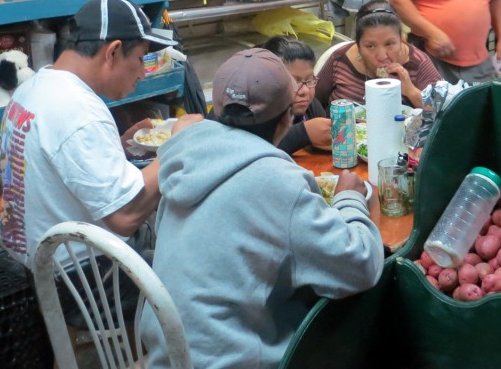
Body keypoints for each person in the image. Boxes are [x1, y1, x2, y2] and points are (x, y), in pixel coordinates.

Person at [141, 48, 383, 368]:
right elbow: (360, 267)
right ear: (287, 117)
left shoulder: (183, 156)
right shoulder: (278, 181)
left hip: (166, 352)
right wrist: (350, 198)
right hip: (231, 359)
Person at [0, 0, 200, 269]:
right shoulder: (78, 110)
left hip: (34, 261)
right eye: (141, 58)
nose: (142, 72)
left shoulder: (33, 89)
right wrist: (177, 144)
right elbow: (125, 217)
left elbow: (59, 166)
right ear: (113, 52)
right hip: (82, 280)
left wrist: (118, 146)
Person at [314, 0, 441, 109]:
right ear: (357, 45)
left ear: (401, 40)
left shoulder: (418, 63)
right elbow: (312, 102)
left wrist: (410, 91)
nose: (382, 56)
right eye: (370, 46)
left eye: (389, 44)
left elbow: (443, 112)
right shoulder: (340, 59)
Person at [260, 35, 332, 154]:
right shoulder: (258, 113)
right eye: (294, 82)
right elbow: (254, 151)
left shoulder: (312, 107)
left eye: (309, 81)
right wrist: (303, 133)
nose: (305, 91)